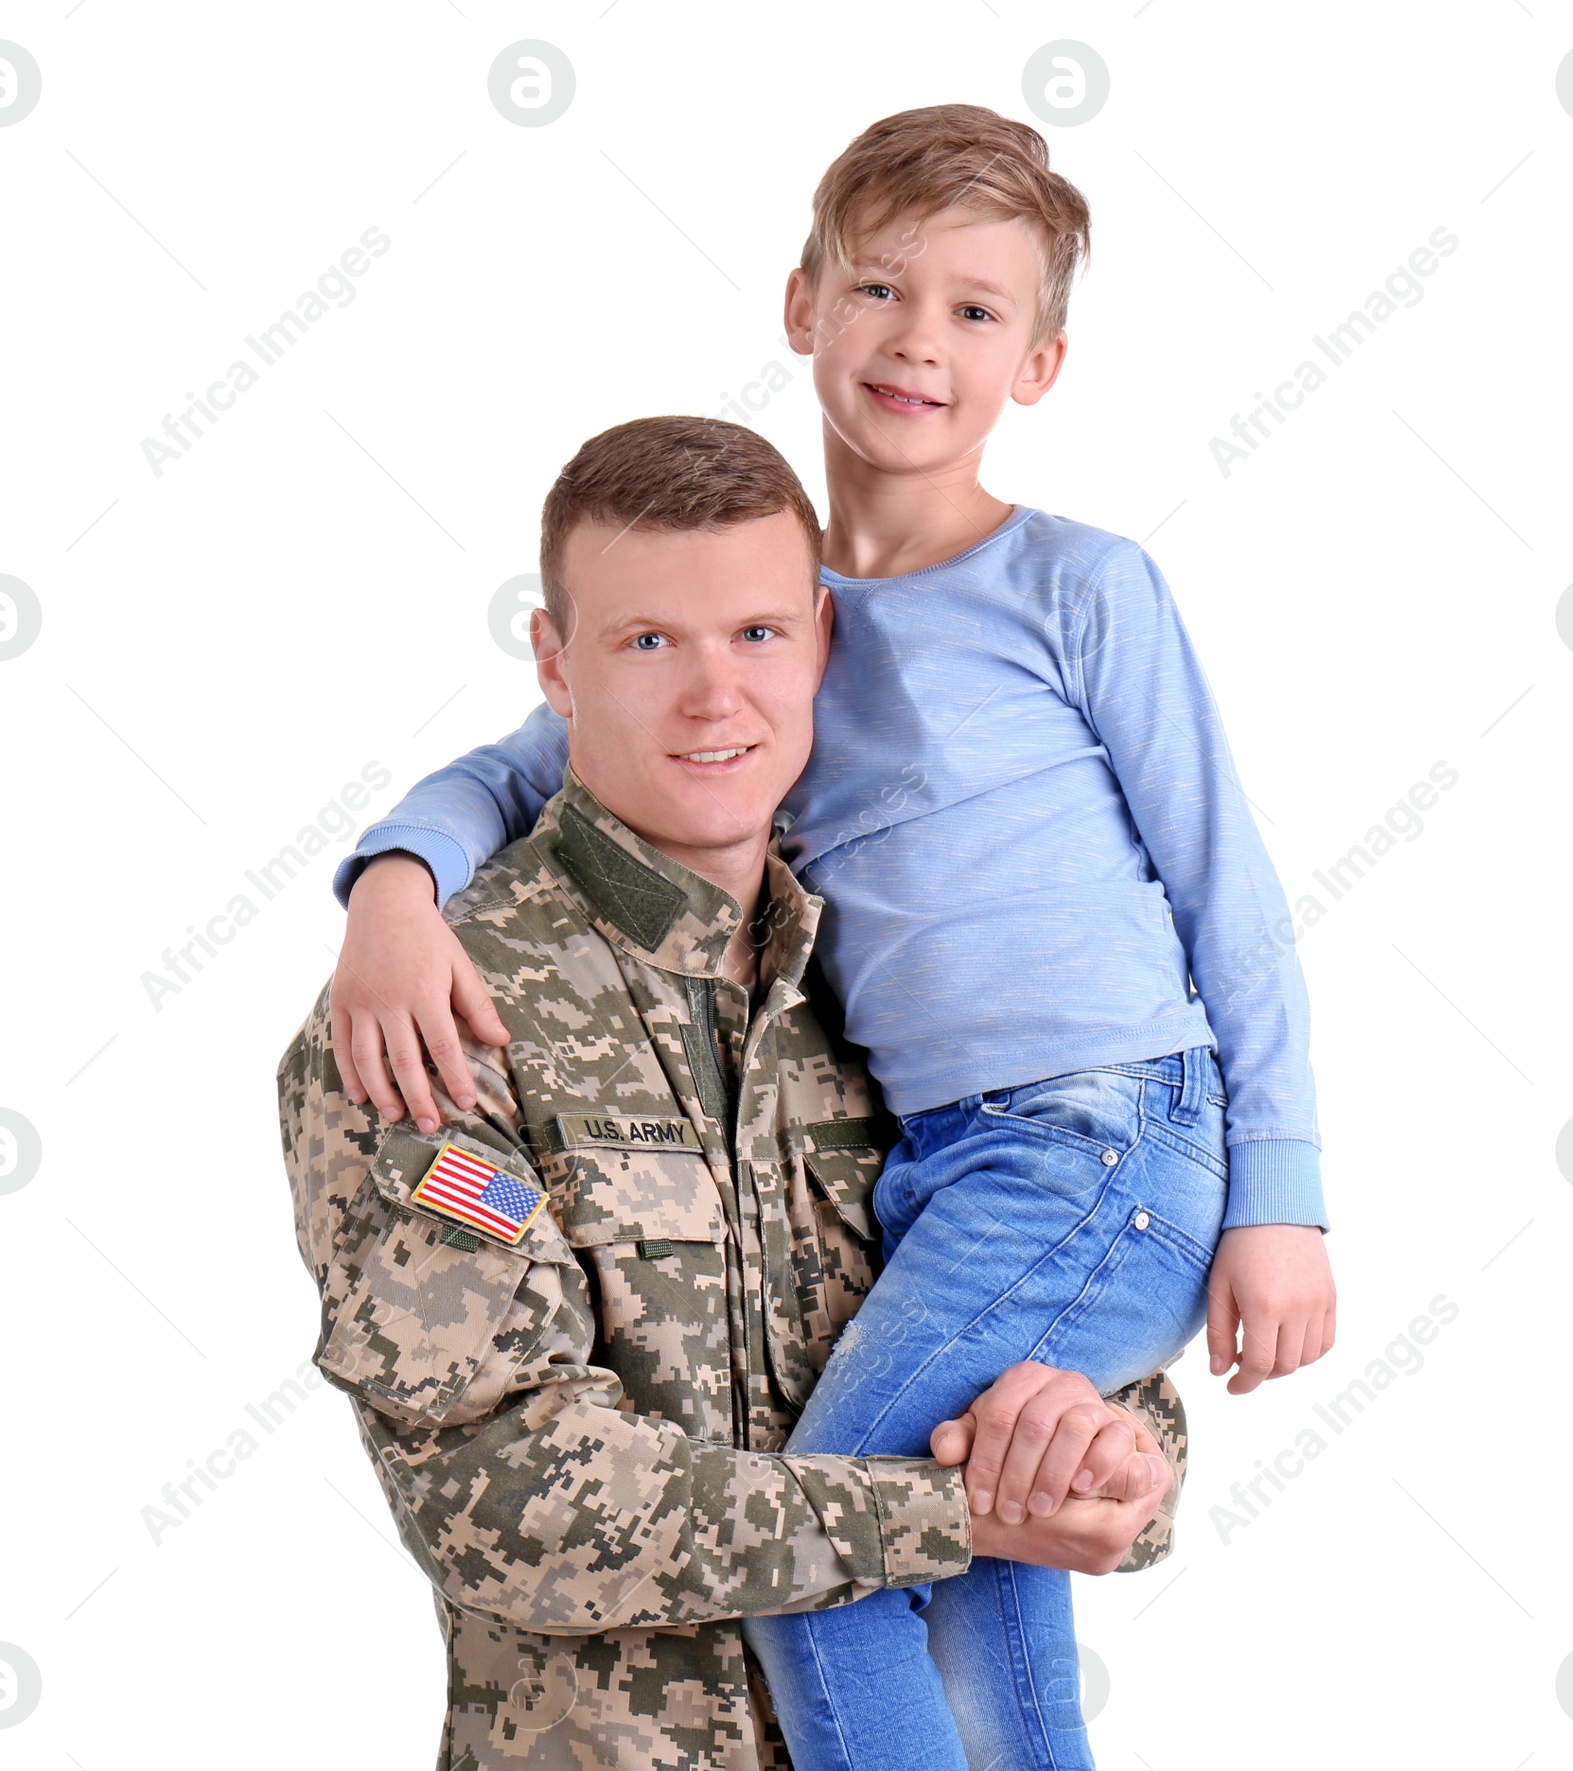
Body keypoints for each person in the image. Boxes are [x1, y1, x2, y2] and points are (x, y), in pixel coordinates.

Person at [326, 107, 1337, 1771]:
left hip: (1100, 1132)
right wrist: (391, 882)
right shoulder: (787, 611)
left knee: (869, 1544)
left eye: (976, 309)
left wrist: (1281, 1196)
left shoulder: (1078, 588)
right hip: (960, 1154)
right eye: (879, 289)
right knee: (969, 1534)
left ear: (1046, 359)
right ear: (801, 306)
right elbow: (521, 760)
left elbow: (1232, 893)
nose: (918, 341)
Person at [280, 416, 1187, 1771]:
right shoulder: (436, 1016)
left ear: (824, 638)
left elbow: (1082, 1300)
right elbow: (507, 1495)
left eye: (758, 634)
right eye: (651, 642)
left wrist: (1114, 1452)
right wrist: (963, 1513)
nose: (716, 698)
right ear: (555, 663)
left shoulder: (910, 984)